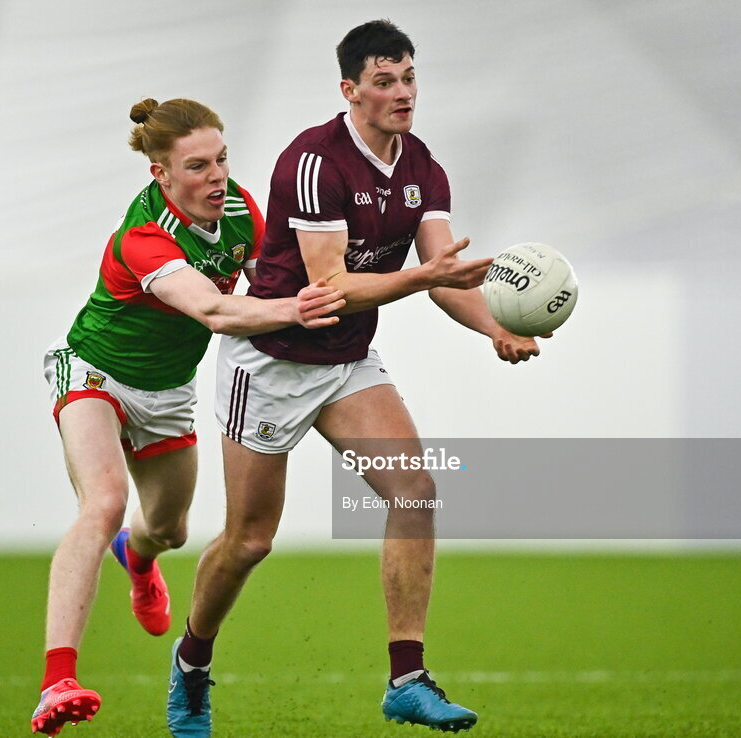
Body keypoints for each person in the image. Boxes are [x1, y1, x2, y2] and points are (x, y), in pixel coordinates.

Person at [166, 20, 550, 736]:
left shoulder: (423, 167)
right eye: (384, 81)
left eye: (409, 78)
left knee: (415, 489)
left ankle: (407, 677)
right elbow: (331, 288)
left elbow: (444, 275)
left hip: (345, 366)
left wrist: (496, 324)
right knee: (250, 541)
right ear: (350, 90)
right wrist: (426, 275)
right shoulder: (313, 160)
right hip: (273, 359)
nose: (402, 93)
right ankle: (191, 664)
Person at [30, 98, 345, 737]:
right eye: (197, 166)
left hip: (169, 393)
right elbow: (218, 311)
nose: (217, 176)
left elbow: (268, 287)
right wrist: (299, 311)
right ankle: (57, 679)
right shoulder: (142, 239)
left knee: (170, 531)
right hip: (96, 371)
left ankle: (138, 560)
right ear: (161, 176)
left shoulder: (240, 211)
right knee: (103, 503)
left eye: (222, 159)